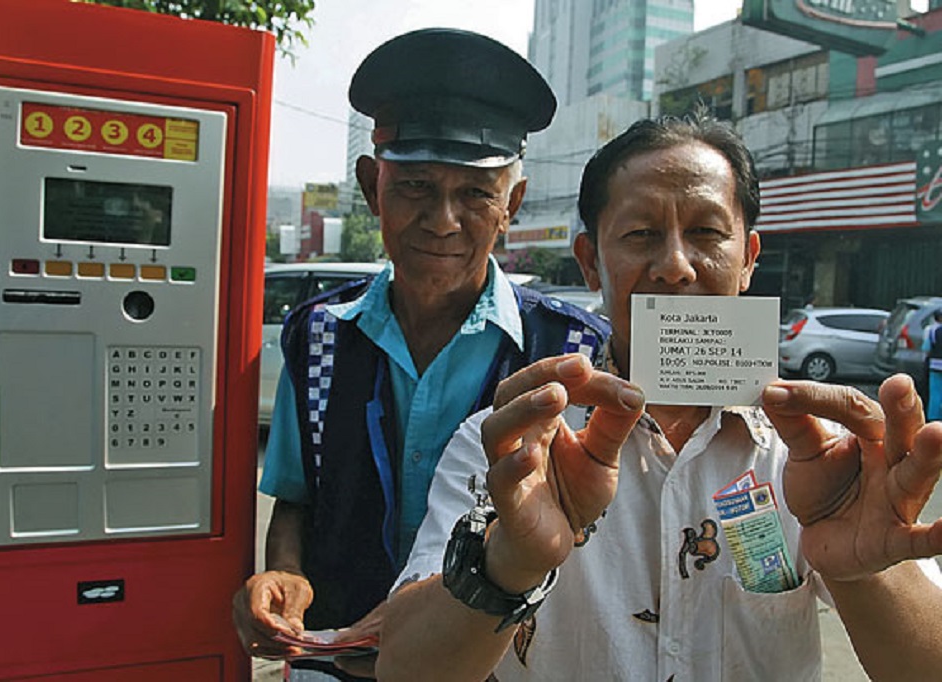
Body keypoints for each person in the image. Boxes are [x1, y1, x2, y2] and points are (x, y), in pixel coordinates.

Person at [374, 113, 942, 681]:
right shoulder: (508, 451)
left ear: (748, 259)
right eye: (641, 234)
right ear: (591, 262)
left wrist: (866, 570)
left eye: (707, 234)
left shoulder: (819, 457)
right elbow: (403, 671)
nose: (674, 266)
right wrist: (506, 562)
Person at [233, 28, 612, 680]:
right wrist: (282, 576)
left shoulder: (575, 355)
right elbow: (296, 500)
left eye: (474, 193)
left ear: (511, 206)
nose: (442, 219)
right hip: (338, 662)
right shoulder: (316, 335)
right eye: (414, 186)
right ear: (369, 186)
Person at [922, 309, 942, 421]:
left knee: (935, 392)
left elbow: (926, 348)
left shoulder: (931, 330)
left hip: (935, 365)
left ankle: (933, 417)